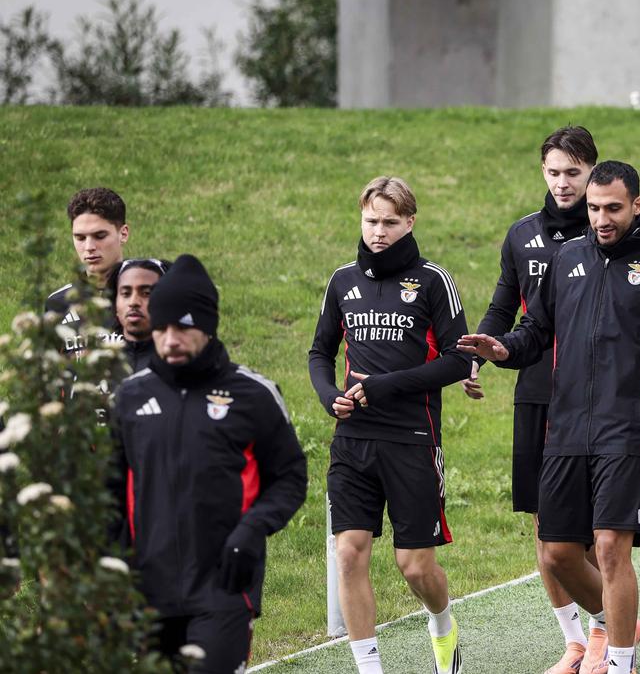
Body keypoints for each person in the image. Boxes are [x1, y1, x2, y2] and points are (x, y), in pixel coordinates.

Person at [458, 160, 640, 674]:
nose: (601, 219)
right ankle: (617, 620)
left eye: (612, 208)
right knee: (558, 553)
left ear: (637, 205)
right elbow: (535, 330)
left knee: (609, 546)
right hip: (564, 429)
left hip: (631, 428)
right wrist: (503, 349)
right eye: (593, 208)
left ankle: (620, 662)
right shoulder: (567, 258)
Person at [111, 254, 307, 673]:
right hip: (148, 592)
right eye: (162, 328)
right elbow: (109, 487)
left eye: (182, 326)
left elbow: (290, 478)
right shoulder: (127, 398)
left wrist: (250, 532)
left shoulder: (254, 395)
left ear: (208, 325)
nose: (170, 340)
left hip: (225, 586)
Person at [308, 176, 471, 674]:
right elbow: (320, 352)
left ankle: (443, 627)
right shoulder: (342, 281)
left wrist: (385, 384)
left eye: (389, 222)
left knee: (414, 566)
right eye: (370, 221)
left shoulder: (432, 280)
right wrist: (329, 397)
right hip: (352, 440)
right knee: (350, 554)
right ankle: (369, 667)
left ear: (410, 222)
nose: (378, 232)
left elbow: (457, 362)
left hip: (412, 440)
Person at [464, 126, 601, 674]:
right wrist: (476, 353)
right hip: (536, 394)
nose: (563, 183)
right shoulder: (522, 236)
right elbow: (503, 307)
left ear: (591, 169)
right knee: (546, 528)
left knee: (592, 529)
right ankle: (572, 641)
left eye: (573, 172)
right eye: (554, 172)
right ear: (541, 172)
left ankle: (605, 636)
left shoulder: (607, 233)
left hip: (593, 398)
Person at [47, 187, 129, 358]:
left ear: (123, 234)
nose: (89, 247)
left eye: (99, 236)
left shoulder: (148, 296)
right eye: (80, 238)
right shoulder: (58, 303)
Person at [114, 258, 168, 372]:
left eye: (146, 293)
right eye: (126, 294)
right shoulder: (97, 362)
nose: (133, 302)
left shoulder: (180, 363)